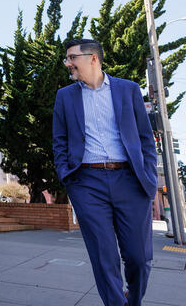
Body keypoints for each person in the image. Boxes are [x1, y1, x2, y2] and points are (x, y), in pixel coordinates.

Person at [52, 38, 157, 306]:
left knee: (138, 257)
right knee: (103, 255)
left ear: (93, 58)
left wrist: (149, 176)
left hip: (130, 180)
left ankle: (132, 301)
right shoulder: (65, 96)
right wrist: (68, 177)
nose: (67, 63)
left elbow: (145, 138)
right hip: (87, 182)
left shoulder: (128, 90)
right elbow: (60, 140)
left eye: (72, 58)